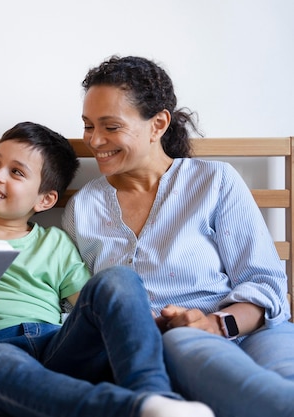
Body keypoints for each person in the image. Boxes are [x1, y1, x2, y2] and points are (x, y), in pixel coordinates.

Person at [62, 55, 294, 417]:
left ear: (158, 124)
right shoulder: (85, 207)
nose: (94, 140)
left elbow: (264, 283)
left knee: (286, 377)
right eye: (88, 125)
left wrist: (218, 324)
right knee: (258, 395)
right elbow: (81, 302)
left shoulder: (215, 180)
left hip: (255, 330)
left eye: (110, 126)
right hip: (177, 341)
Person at [0, 121, 214, 417]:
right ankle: (137, 408)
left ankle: (153, 393)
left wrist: (145, 321)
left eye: (16, 172)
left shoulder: (56, 242)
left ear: (45, 199)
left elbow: (91, 306)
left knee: (117, 278)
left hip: (55, 343)